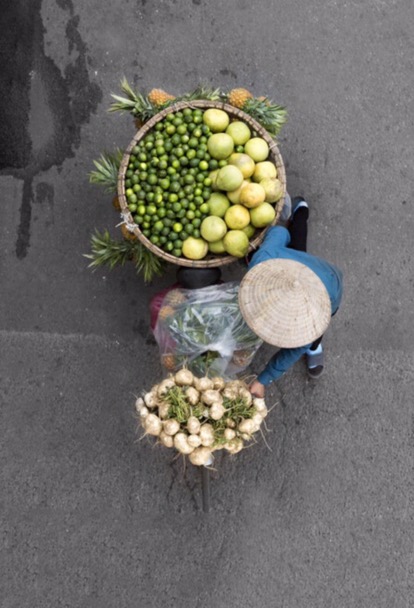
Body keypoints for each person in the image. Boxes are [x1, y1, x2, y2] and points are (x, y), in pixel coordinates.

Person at [238, 196, 343, 398]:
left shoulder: (314, 316)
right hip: (292, 264)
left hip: (328, 281)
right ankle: (301, 210)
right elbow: (280, 232)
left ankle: (314, 346)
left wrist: (263, 380)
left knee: (317, 331)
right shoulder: (262, 261)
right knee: (298, 249)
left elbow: (279, 233)